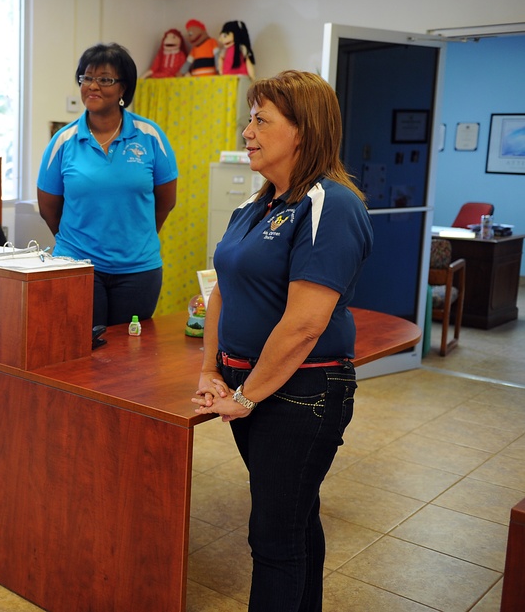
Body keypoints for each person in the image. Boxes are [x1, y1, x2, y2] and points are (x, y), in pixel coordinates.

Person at [191, 70, 373, 611]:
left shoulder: (331, 204)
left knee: (274, 540)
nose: (248, 130)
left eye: (262, 120)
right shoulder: (257, 204)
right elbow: (221, 288)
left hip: (303, 393)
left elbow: (304, 324)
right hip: (254, 384)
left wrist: (247, 397)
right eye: (251, 118)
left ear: (303, 132)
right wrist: (211, 368)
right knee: (294, 518)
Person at [37, 43, 178, 327]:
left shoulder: (150, 136)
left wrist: (137, 236)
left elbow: (166, 200)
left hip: (138, 270)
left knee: (130, 357)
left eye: (105, 79)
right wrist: (76, 243)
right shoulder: (63, 141)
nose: (93, 86)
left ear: (123, 88)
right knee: (79, 356)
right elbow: (48, 208)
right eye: (86, 78)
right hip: (76, 265)